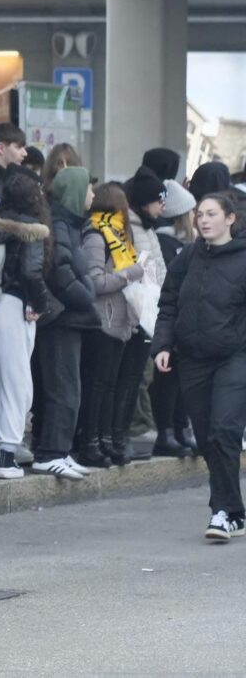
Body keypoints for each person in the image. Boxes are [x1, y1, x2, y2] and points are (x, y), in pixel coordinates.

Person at [153, 192, 246, 542]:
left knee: (224, 431)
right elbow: (169, 303)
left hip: (235, 357)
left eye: (211, 214)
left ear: (230, 219)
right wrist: (163, 345)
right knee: (208, 438)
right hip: (193, 359)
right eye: (200, 214)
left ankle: (222, 511)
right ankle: (234, 510)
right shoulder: (187, 257)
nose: (203, 220)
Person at [0, 173, 51, 480]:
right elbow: (30, 272)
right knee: (17, 382)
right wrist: (41, 304)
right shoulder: (32, 229)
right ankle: (7, 453)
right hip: (13, 306)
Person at [32, 167, 98, 479]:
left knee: (69, 387)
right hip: (61, 320)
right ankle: (50, 453)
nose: (93, 195)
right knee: (63, 388)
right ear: (74, 191)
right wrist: (87, 295)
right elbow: (60, 272)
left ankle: (60, 450)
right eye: (88, 189)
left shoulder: (68, 224)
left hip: (70, 319)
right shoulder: (58, 226)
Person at [76, 183, 145, 468]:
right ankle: (89, 442)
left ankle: (104, 439)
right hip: (102, 320)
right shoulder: (96, 235)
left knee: (111, 384)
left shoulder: (117, 235)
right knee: (98, 385)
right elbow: (95, 281)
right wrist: (130, 274)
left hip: (120, 320)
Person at [150, 178, 198, 457]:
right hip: (170, 320)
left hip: (184, 320)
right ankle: (166, 430)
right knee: (167, 380)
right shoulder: (165, 242)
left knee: (181, 381)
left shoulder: (186, 244)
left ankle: (180, 428)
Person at [124, 167, 170, 457]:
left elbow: (159, 268)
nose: (162, 205)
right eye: (158, 200)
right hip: (135, 308)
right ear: (144, 201)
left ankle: (140, 426)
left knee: (146, 373)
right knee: (136, 375)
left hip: (151, 307)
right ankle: (135, 428)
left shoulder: (148, 225)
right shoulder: (131, 225)